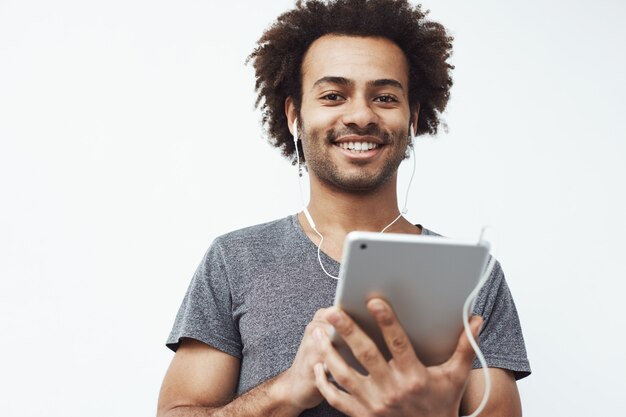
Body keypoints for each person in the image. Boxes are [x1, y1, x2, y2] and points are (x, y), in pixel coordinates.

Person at [157, 0, 531, 416]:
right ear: (295, 115)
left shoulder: (473, 276)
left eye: (385, 97)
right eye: (334, 95)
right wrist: (286, 390)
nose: (360, 115)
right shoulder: (234, 260)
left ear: (412, 118)